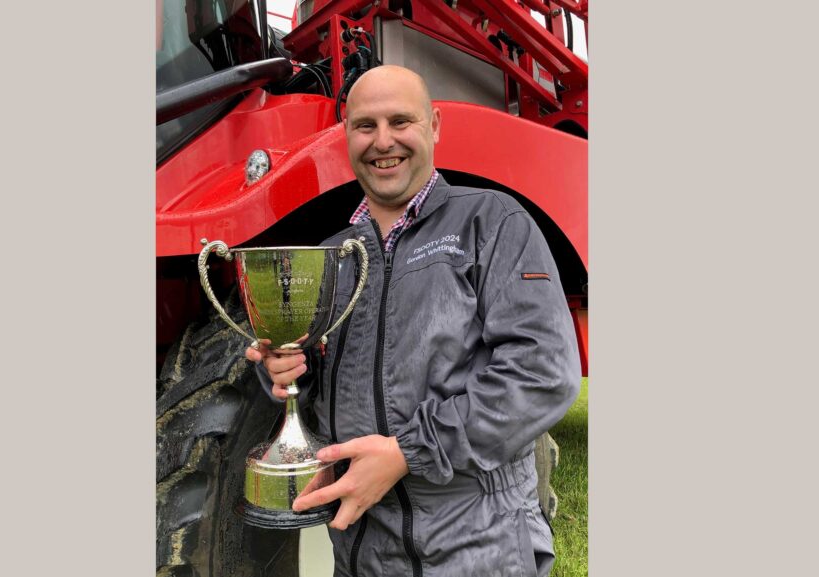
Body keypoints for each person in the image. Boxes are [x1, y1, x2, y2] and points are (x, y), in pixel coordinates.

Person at [245, 65, 581, 577]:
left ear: (434, 126)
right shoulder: (334, 255)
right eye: (365, 126)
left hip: (476, 547)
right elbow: (325, 376)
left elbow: (543, 375)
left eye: (400, 121)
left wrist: (408, 452)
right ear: (346, 135)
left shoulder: (493, 222)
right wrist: (288, 369)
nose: (383, 142)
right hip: (364, 553)